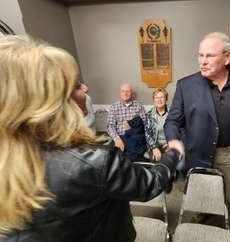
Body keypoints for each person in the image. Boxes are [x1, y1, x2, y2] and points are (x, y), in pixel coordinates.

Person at [0, 35, 180, 242]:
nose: (86, 89)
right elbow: (149, 184)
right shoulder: (95, 162)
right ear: (50, 102)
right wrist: (173, 153)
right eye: (77, 85)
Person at [164, 32, 230, 242]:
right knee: (202, 191)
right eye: (200, 55)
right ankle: (203, 213)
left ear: (227, 57)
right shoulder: (185, 85)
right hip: (198, 152)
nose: (202, 61)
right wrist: (172, 139)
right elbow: (172, 121)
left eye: (209, 56)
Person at [106, 83, 146, 158]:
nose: (125, 93)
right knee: (112, 157)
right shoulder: (114, 107)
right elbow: (110, 125)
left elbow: (144, 123)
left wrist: (131, 128)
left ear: (132, 93)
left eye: (128, 91)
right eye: (123, 91)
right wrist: (116, 138)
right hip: (119, 137)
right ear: (120, 93)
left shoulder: (139, 106)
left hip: (134, 137)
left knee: (133, 158)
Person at [145, 88, 169, 161]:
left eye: (162, 97)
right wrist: (154, 148)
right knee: (155, 160)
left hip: (169, 144)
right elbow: (147, 134)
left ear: (166, 99)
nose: (159, 100)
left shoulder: (173, 113)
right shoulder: (149, 115)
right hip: (155, 145)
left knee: (169, 161)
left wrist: (171, 142)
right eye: (156, 97)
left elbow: (179, 130)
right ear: (154, 100)